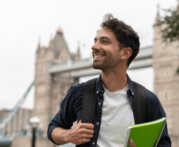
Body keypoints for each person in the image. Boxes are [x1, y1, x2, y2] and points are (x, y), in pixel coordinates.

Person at [47, 14, 171, 147]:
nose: (94, 47)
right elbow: (53, 128)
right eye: (95, 41)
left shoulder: (148, 100)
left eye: (104, 41)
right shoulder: (78, 92)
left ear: (125, 53)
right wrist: (69, 135)